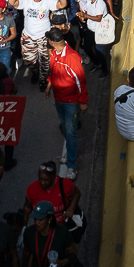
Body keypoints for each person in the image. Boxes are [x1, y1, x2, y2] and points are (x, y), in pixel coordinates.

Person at [45, 28, 87, 181]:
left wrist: (82, 102)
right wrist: (49, 84)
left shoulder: (72, 58)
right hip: (59, 99)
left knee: (71, 131)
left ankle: (72, 165)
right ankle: (69, 152)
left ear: (52, 42)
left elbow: (80, 81)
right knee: (65, 127)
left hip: (71, 102)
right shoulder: (55, 54)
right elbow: (54, 72)